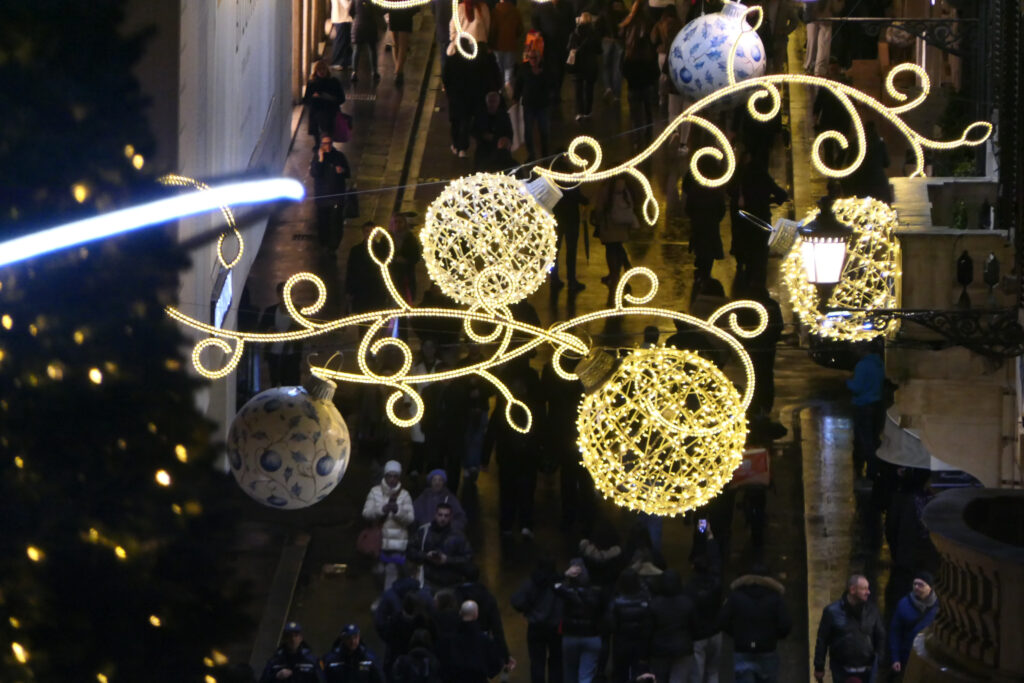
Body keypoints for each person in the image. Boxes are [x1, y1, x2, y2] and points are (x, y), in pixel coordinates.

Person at [717, 566, 792, 683]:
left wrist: (736, 634)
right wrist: (773, 637)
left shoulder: (735, 596)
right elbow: (785, 624)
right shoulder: (775, 598)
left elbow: (722, 620)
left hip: (743, 648)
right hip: (767, 648)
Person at [727, 151, 787, 292]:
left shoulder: (739, 177)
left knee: (746, 253)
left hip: (743, 224)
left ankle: (742, 279)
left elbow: (729, 192)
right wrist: (768, 200)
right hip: (761, 221)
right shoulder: (762, 176)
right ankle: (758, 290)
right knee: (759, 258)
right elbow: (781, 195)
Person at [813, 575, 886, 683]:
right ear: (852, 590)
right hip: (841, 671)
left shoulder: (872, 611)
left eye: (868, 588)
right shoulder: (832, 612)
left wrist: (879, 660)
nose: (868, 592)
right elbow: (822, 640)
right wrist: (819, 666)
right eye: (864, 588)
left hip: (867, 670)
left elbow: (880, 636)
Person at [362, 460, 416, 592]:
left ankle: (387, 600)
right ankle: (385, 598)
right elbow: (366, 513)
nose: (392, 479)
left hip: (397, 545)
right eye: (389, 476)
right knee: (379, 574)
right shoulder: (375, 492)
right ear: (385, 476)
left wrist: (398, 511)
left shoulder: (404, 495)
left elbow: (410, 519)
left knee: (392, 574)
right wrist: (382, 510)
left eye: (395, 476)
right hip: (378, 543)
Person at [511, 557, 564, 683]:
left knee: (537, 662)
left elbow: (516, 601)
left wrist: (528, 609)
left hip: (535, 627)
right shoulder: (560, 583)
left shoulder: (531, 582)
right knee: (556, 661)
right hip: (556, 628)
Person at [554, 558, 604, 683]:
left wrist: (565, 574)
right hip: (592, 636)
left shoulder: (565, 591)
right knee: (586, 676)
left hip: (570, 636)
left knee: (570, 673)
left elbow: (553, 584)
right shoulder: (597, 592)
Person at [407, 502, 474, 592]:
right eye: (440, 515)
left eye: (446, 516)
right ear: (435, 515)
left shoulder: (458, 536)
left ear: (450, 517)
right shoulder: (424, 532)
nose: (443, 518)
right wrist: (426, 556)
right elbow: (410, 551)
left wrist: (447, 560)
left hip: (451, 583)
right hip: (427, 581)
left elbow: (468, 559)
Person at [620, 0, 658, 150]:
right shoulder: (650, 24)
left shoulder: (628, 23)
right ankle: (648, 135)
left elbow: (624, 66)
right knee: (648, 110)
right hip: (646, 80)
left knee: (635, 114)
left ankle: (637, 139)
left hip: (633, 82)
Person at [437, 601, 506, 682]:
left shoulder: (449, 639)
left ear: (460, 613)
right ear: (476, 615)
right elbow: (495, 665)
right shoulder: (484, 639)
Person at [684, 157, 727, 284]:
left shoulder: (695, 175)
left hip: (698, 219)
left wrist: (693, 216)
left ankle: (700, 271)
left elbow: (688, 200)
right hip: (711, 220)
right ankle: (705, 274)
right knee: (709, 247)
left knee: (700, 245)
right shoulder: (716, 182)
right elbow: (721, 207)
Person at [648, 570, 696, 683]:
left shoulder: (654, 604)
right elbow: (695, 627)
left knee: (659, 678)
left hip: (659, 649)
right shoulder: (688, 603)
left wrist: (644, 654)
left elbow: (648, 631)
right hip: (682, 648)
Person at [592, 177, 637, 292]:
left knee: (610, 250)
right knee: (618, 246)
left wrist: (597, 217)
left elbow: (600, 206)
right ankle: (620, 270)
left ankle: (613, 275)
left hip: (609, 223)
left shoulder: (606, 188)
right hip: (621, 223)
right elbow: (631, 203)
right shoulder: (624, 187)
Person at [847, 340, 884, 480]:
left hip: (863, 405)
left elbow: (857, 387)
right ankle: (875, 468)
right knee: (873, 437)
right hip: (876, 403)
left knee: (863, 439)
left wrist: (847, 382)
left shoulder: (862, 365)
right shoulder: (879, 363)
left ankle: (867, 470)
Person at [889, 572, 938, 675]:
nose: (916, 587)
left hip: (929, 659)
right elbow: (895, 632)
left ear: (930, 587)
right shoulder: (904, 604)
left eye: (921, 585)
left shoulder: (938, 606)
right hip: (907, 657)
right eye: (915, 584)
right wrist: (895, 658)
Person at [309, 135, 351, 253]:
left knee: (335, 223)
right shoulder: (317, 157)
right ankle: (324, 243)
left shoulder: (339, 156)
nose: (327, 146)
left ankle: (333, 246)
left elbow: (348, 172)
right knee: (323, 222)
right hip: (322, 198)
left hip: (336, 197)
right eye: (324, 143)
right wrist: (320, 159)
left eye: (328, 143)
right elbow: (314, 173)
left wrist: (342, 170)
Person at [259, 283, 303, 388]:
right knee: (275, 382)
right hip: (274, 353)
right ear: (278, 295)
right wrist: (268, 331)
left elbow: (305, 331)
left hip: (292, 355)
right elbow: (261, 328)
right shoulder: (270, 311)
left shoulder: (298, 311)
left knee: (292, 383)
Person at [514, 49, 553, 161]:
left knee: (544, 130)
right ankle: (531, 154)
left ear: (539, 58)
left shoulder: (545, 69)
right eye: (530, 58)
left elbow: (551, 84)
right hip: (529, 105)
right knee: (528, 131)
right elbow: (518, 84)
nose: (533, 60)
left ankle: (545, 154)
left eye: (535, 58)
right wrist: (516, 98)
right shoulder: (524, 69)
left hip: (542, 105)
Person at [346, 222, 392, 317]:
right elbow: (351, 270)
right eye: (367, 231)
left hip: (377, 289)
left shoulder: (382, 250)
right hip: (361, 289)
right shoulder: (356, 250)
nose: (369, 234)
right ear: (363, 232)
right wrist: (349, 290)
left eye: (371, 231)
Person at [260, 622, 324, 683]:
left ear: (301, 638)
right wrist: (276, 676)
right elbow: (263, 680)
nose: (293, 639)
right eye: (289, 636)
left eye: (296, 635)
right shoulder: (275, 662)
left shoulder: (311, 661)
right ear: (284, 639)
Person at [321, 624, 386, 683]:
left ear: (359, 637)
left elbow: (380, 679)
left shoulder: (369, 658)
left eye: (355, 637)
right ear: (342, 638)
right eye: (349, 638)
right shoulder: (330, 660)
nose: (353, 641)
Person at [568, 12, 602, 121]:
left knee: (578, 90)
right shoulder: (594, 34)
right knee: (589, 89)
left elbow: (569, 47)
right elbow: (599, 50)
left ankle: (579, 112)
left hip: (577, 65)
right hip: (590, 65)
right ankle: (588, 111)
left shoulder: (575, 33)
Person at [471, 91, 514, 172]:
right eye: (490, 101)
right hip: (483, 145)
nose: (492, 104)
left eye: (494, 101)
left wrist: (500, 140)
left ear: (498, 102)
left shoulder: (504, 116)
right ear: (486, 102)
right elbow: (473, 130)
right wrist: (482, 136)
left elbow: (509, 132)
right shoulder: (480, 115)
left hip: (498, 147)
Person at [305, 61, 345, 143]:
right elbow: (306, 99)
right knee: (322, 136)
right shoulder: (312, 83)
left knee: (327, 135)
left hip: (330, 113)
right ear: (316, 71)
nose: (321, 71)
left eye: (323, 69)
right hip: (317, 113)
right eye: (319, 69)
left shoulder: (334, 82)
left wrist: (330, 98)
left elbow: (341, 98)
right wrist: (314, 97)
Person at [490, 0, 523, 87]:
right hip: (511, 45)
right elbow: (520, 29)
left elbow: (492, 30)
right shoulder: (515, 12)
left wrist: (490, 44)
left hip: (497, 46)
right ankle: (508, 90)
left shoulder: (495, 12)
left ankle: (500, 90)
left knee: (498, 71)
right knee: (509, 71)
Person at [599, 0, 627, 99]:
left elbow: (598, 27)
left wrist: (602, 37)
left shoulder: (605, 11)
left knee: (606, 66)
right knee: (617, 68)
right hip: (619, 42)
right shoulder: (625, 13)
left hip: (607, 41)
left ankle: (608, 88)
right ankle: (616, 94)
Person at [351, 0, 382, 83]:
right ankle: (374, 72)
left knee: (356, 50)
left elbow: (351, 11)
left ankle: (354, 72)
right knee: (372, 49)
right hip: (370, 26)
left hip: (358, 26)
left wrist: (357, 18)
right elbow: (379, 12)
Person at [387, 7, 417, 84]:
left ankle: (398, 70)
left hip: (395, 12)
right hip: (404, 13)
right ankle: (398, 70)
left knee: (397, 43)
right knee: (400, 44)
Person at [330, 0, 355, 70]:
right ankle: (338, 62)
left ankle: (347, 61)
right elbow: (347, 5)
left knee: (344, 41)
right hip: (342, 19)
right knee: (341, 41)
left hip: (341, 18)